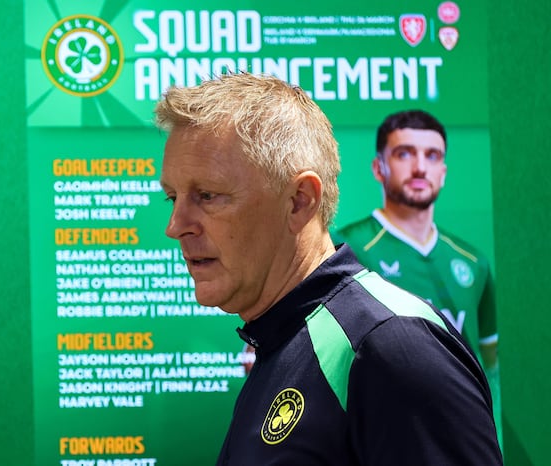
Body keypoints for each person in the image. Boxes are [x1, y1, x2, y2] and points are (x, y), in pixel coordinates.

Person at [154, 73, 502, 465]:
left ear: (299, 201)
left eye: (207, 195)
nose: (176, 225)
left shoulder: (391, 345)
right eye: (173, 197)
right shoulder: (282, 339)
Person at [332, 109, 501, 442]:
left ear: (444, 172)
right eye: (404, 153)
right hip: (378, 438)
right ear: (378, 167)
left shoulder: (473, 262)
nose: (420, 167)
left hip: (461, 435)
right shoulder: (344, 249)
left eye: (432, 156)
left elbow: (490, 365)